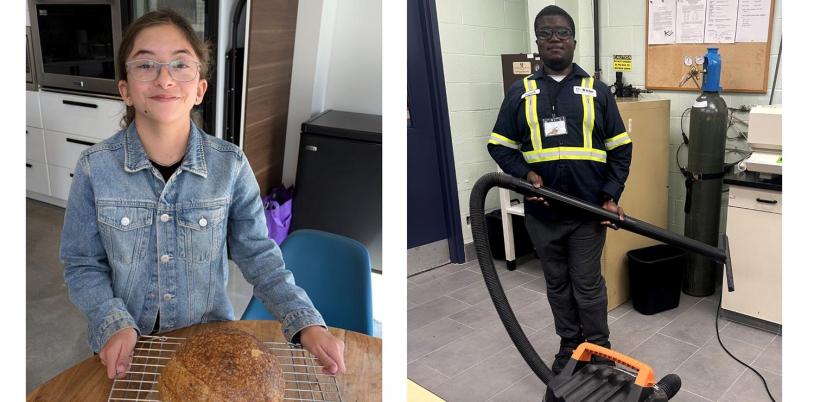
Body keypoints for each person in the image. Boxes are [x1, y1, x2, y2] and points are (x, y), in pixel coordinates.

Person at [59, 9, 346, 380]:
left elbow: (259, 256)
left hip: (210, 344)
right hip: (126, 345)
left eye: (180, 64)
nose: (164, 78)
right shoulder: (93, 168)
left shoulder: (231, 165)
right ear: (126, 90)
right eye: (146, 65)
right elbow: (82, 264)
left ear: (199, 89)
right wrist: (112, 322)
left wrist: (305, 321)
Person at [487, 5, 632, 374]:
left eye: (562, 32)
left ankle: (599, 349)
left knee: (586, 285)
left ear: (573, 40)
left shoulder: (596, 91)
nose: (555, 39)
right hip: (542, 213)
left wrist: (611, 195)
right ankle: (570, 346)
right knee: (557, 285)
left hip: (587, 212)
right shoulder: (521, 92)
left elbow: (620, 149)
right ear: (537, 42)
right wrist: (524, 174)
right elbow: (499, 144)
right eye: (546, 33)